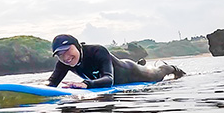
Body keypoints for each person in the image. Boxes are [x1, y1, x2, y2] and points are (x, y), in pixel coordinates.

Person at [47, 34, 185, 89]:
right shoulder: (63, 63)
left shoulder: (97, 51)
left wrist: (86, 84)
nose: (65, 57)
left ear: (77, 46)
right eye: (59, 54)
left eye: (67, 50)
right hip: (115, 74)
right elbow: (51, 83)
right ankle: (141, 62)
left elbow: (109, 79)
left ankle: (173, 68)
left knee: (157, 74)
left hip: (132, 72)